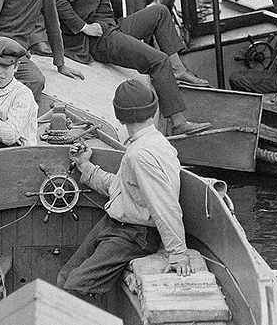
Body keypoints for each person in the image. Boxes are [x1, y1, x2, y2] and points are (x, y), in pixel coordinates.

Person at [55, 0, 211, 136]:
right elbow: (59, 1)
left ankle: (179, 70)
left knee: (160, 12)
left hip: (113, 26)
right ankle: (178, 122)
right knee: (157, 60)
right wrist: (83, 27)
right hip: (99, 38)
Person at [56, 79, 195, 295]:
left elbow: (163, 204)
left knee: (73, 287)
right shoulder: (152, 142)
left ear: (119, 117)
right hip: (115, 224)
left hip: (135, 234)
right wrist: (85, 166)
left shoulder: (139, 155)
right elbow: (123, 188)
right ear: (154, 110)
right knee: (65, 277)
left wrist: (178, 252)